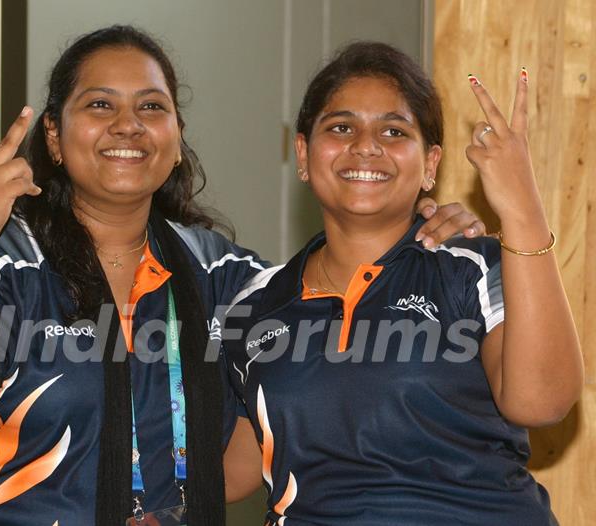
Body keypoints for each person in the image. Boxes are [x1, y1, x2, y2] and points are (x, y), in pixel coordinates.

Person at [0, 26, 485, 526]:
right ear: (54, 138)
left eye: (151, 107)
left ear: (176, 139)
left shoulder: (224, 279)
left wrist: (422, 236)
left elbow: (346, 310)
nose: (127, 125)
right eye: (99, 105)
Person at [223, 42, 583, 525]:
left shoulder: (475, 268)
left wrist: (522, 209)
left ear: (431, 165)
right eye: (341, 127)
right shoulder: (256, 307)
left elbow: (542, 401)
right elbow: (231, 474)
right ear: (304, 154)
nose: (366, 145)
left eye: (394, 130)